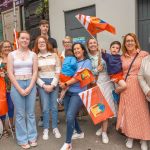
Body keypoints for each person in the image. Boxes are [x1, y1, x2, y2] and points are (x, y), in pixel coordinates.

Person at [116, 33, 150, 150]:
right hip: (126, 87)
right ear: (124, 44)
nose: (129, 43)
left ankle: (143, 138)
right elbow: (115, 71)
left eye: (131, 40)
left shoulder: (144, 54)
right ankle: (130, 136)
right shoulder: (121, 57)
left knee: (142, 112)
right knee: (128, 112)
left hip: (140, 86)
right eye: (127, 41)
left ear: (135, 42)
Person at [7, 31, 38, 149]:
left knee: (30, 113)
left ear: (29, 41)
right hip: (17, 84)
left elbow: (35, 71)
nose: (25, 40)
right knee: (20, 114)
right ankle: (22, 139)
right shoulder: (12, 55)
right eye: (23, 38)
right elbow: (10, 72)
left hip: (30, 83)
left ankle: (32, 137)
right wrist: (19, 88)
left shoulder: (33, 54)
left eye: (27, 39)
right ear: (18, 40)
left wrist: (30, 86)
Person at [59, 43, 92, 150]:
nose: (76, 50)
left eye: (78, 48)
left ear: (83, 50)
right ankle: (79, 132)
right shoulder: (72, 61)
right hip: (68, 92)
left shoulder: (87, 62)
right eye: (74, 49)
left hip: (78, 92)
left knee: (69, 116)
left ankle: (68, 143)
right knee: (70, 115)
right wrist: (61, 80)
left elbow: (80, 77)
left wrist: (66, 83)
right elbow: (64, 71)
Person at [87, 38, 117, 144]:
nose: (92, 44)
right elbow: (87, 73)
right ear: (88, 45)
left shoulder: (103, 54)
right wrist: (96, 70)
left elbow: (113, 65)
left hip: (106, 82)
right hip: (95, 83)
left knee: (107, 106)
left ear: (97, 44)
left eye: (94, 42)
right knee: (99, 107)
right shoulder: (87, 57)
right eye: (90, 43)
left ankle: (104, 131)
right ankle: (102, 127)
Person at [33, 36, 61, 140]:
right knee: (45, 108)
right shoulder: (35, 57)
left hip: (54, 82)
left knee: (54, 107)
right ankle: (46, 128)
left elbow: (58, 71)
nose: (41, 43)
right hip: (42, 84)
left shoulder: (54, 55)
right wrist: (44, 85)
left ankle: (54, 127)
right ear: (37, 45)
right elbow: (35, 74)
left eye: (43, 42)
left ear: (46, 43)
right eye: (39, 42)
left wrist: (53, 85)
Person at [0, 41, 14, 137]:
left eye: (9, 46)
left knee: (11, 107)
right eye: (5, 47)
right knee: (2, 108)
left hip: (12, 87)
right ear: (1, 48)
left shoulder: (13, 58)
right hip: (1, 88)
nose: (7, 48)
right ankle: (4, 128)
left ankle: (11, 125)